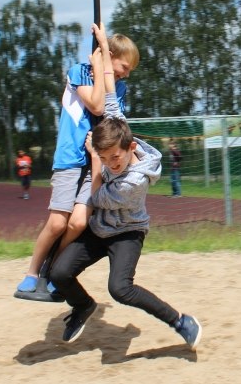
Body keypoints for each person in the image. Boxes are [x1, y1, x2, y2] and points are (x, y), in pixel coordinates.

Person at [49, 56, 202, 348]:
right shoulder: (117, 130)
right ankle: (82, 306)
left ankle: (180, 321)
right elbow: (108, 97)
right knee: (59, 272)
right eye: (105, 158)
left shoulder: (136, 180)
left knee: (119, 288)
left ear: (131, 147)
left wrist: (96, 160)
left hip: (127, 232)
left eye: (115, 158)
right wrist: (103, 48)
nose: (111, 163)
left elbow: (96, 198)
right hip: (99, 228)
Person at [15, 23, 140, 295]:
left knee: (79, 223)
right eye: (124, 67)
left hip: (97, 161)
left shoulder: (118, 88)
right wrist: (98, 66)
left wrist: (105, 72)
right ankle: (32, 270)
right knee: (58, 222)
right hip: (71, 157)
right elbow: (95, 104)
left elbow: (110, 112)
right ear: (110, 56)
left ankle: (52, 267)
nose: (126, 75)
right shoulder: (78, 72)